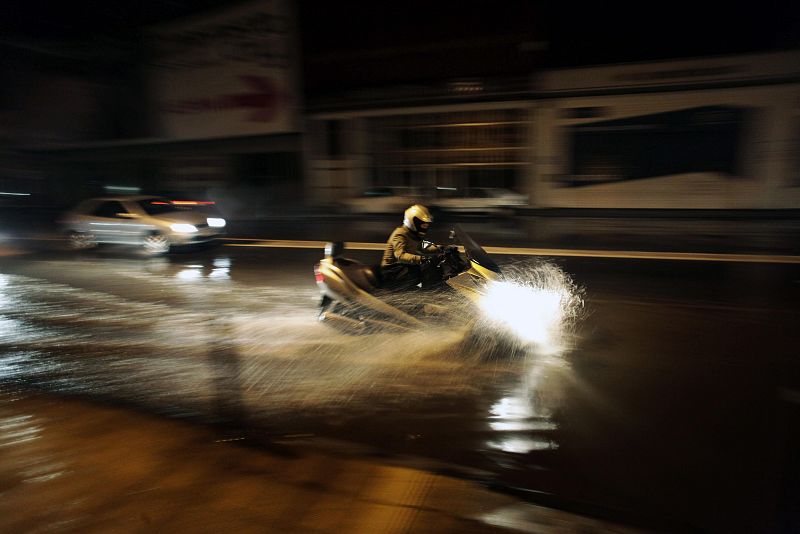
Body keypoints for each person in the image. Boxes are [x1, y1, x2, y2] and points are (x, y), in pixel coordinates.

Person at [380, 204, 444, 290]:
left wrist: (440, 249)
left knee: (431, 268)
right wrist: (420, 259)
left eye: (426, 225)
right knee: (420, 271)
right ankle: (420, 295)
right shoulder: (400, 234)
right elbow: (400, 255)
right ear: (413, 222)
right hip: (391, 270)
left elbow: (422, 247)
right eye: (423, 225)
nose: (425, 227)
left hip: (403, 267)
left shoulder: (414, 234)